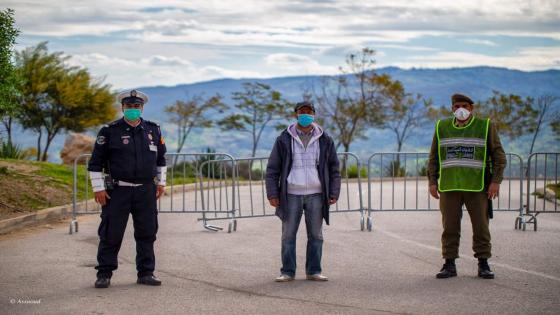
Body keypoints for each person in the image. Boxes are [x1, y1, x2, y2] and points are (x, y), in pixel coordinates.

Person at [88, 89, 167, 288]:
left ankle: (146, 273)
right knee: (110, 233)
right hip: (117, 191)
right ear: (122, 107)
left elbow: (161, 159)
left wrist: (161, 182)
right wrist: (98, 188)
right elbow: (95, 162)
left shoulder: (153, 130)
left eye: (137, 106)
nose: (133, 109)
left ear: (142, 108)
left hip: (145, 190)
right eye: (129, 106)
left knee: (147, 233)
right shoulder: (109, 130)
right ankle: (104, 273)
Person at [428, 93, 507, 279]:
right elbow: (434, 157)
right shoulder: (442, 127)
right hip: (449, 186)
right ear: (452, 109)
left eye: (464, 106)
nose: (460, 109)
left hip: (477, 187)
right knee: (450, 227)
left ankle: (483, 263)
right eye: (456, 106)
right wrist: (432, 181)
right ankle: (449, 264)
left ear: (471, 108)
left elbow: (499, 156)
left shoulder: (485, 126)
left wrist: (495, 181)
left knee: (481, 227)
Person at [265, 101, 341, 282]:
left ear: (314, 114)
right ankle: (287, 272)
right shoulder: (284, 139)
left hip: (316, 194)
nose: (305, 114)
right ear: (296, 115)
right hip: (291, 194)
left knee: (316, 235)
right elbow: (272, 169)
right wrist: (272, 193)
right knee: (288, 235)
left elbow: (334, 168)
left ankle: (314, 271)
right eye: (302, 112)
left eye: (309, 112)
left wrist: (334, 192)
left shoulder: (325, 139)